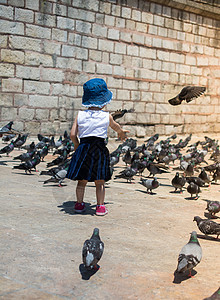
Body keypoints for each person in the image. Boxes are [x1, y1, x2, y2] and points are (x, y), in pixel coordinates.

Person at [66, 78, 128, 216]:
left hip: (83, 148)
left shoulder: (80, 115)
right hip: (99, 149)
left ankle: (79, 204)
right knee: (99, 181)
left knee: (82, 180)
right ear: (104, 101)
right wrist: (121, 133)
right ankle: (100, 207)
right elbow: (116, 127)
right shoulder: (106, 116)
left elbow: (72, 134)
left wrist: (77, 145)